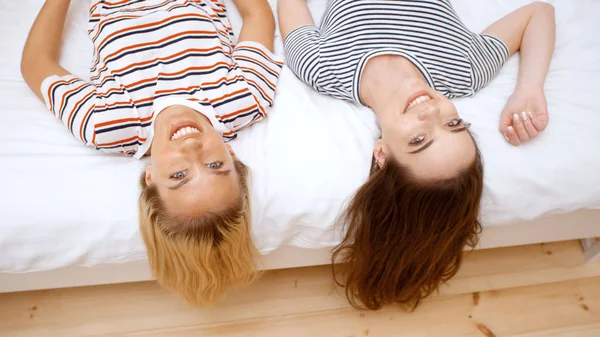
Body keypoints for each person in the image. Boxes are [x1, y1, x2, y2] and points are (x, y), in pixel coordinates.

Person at [278, 0, 555, 310]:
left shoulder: (319, 67)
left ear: (381, 154)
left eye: (419, 139)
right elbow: (539, 12)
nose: (431, 111)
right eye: (453, 123)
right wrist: (530, 87)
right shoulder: (464, 69)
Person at [21, 0, 282, 305]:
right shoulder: (245, 97)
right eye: (214, 164)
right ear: (232, 156)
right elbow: (257, 14)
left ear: (150, 177)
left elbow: (35, 63)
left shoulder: (107, 124)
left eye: (179, 175)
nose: (191, 149)